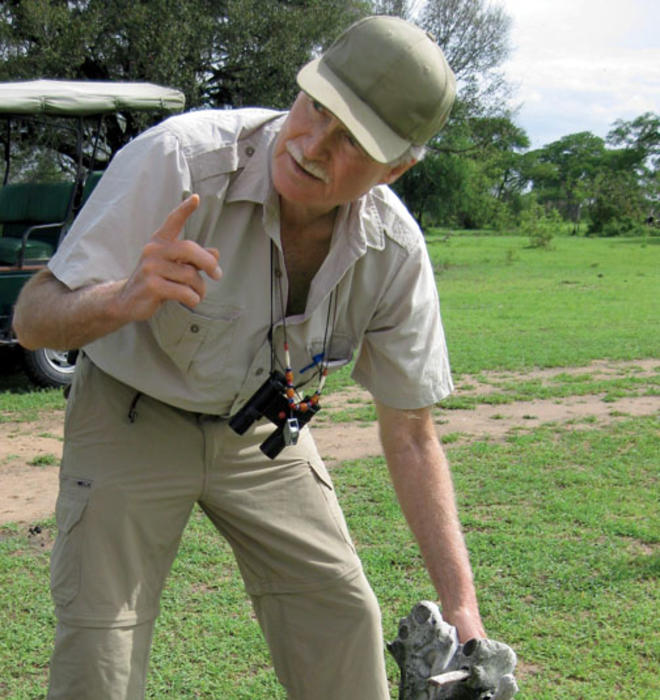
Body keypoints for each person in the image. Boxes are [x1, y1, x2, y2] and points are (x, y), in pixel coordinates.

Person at [14, 15, 486, 700]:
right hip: (131, 413)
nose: (313, 146)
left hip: (263, 430)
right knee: (101, 649)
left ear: (398, 166)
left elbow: (412, 435)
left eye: (352, 140)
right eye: (316, 106)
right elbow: (32, 319)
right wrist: (123, 297)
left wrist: (462, 606)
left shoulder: (393, 253)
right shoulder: (178, 159)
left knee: (343, 615)